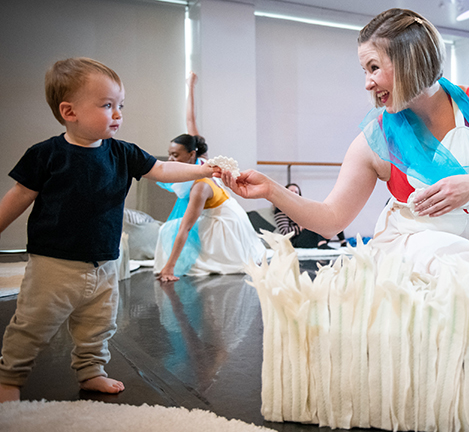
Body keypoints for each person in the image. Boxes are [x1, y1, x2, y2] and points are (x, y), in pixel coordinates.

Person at [223, 8, 469, 381]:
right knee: (440, 253)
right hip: (420, 242)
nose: (367, 82)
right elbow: (331, 219)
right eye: (365, 70)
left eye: (374, 67)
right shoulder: (376, 137)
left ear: (409, 60)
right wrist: (272, 190)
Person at [0, 57, 219, 402]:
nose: (118, 114)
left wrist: (203, 171)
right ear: (69, 112)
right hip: (54, 263)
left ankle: (91, 371)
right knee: (33, 324)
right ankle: (9, 377)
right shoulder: (46, 154)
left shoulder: (123, 153)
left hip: (105, 261)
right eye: (107, 106)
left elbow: (162, 170)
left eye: (120, 106)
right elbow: (19, 196)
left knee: (99, 324)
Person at [154, 73, 265, 282]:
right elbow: (190, 120)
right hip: (224, 213)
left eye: (175, 155)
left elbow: (186, 226)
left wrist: (169, 268)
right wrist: (190, 86)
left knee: (171, 230)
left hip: (226, 224)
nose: (170, 159)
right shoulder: (199, 158)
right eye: (170, 155)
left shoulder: (201, 183)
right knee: (170, 229)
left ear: (191, 155)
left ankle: (176, 262)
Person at [273, 183, 334, 249]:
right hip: (297, 240)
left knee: (328, 216)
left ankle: (341, 241)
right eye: (291, 191)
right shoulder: (281, 210)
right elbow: (285, 233)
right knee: (317, 220)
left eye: (296, 192)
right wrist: (300, 227)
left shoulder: (301, 208)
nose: (293, 193)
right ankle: (322, 243)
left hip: (313, 236)